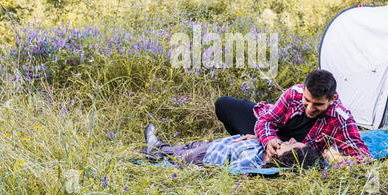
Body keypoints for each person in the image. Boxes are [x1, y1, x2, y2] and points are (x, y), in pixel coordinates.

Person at [215, 69, 373, 163]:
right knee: (223, 104)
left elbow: (363, 157)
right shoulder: (294, 93)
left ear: (331, 100)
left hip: (293, 148)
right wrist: (267, 139)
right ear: (304, 90)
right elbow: (267, 121)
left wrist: (336, 158)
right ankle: (253, 142)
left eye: (318, 105)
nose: (310, 109)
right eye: (307, 101)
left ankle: (252, 147)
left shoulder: (341, 119)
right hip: (275, 134)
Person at [142, 123, 319, 170]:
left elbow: (232, 170)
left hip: (205, 156)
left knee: (177, 155)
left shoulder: (252, 163)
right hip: (214, 145)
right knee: (185, 146)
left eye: (292, 145)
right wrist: (257, 138)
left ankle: (154, 149)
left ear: (281, 157)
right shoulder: (270, 146)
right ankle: (160, 148)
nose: (292, 140)